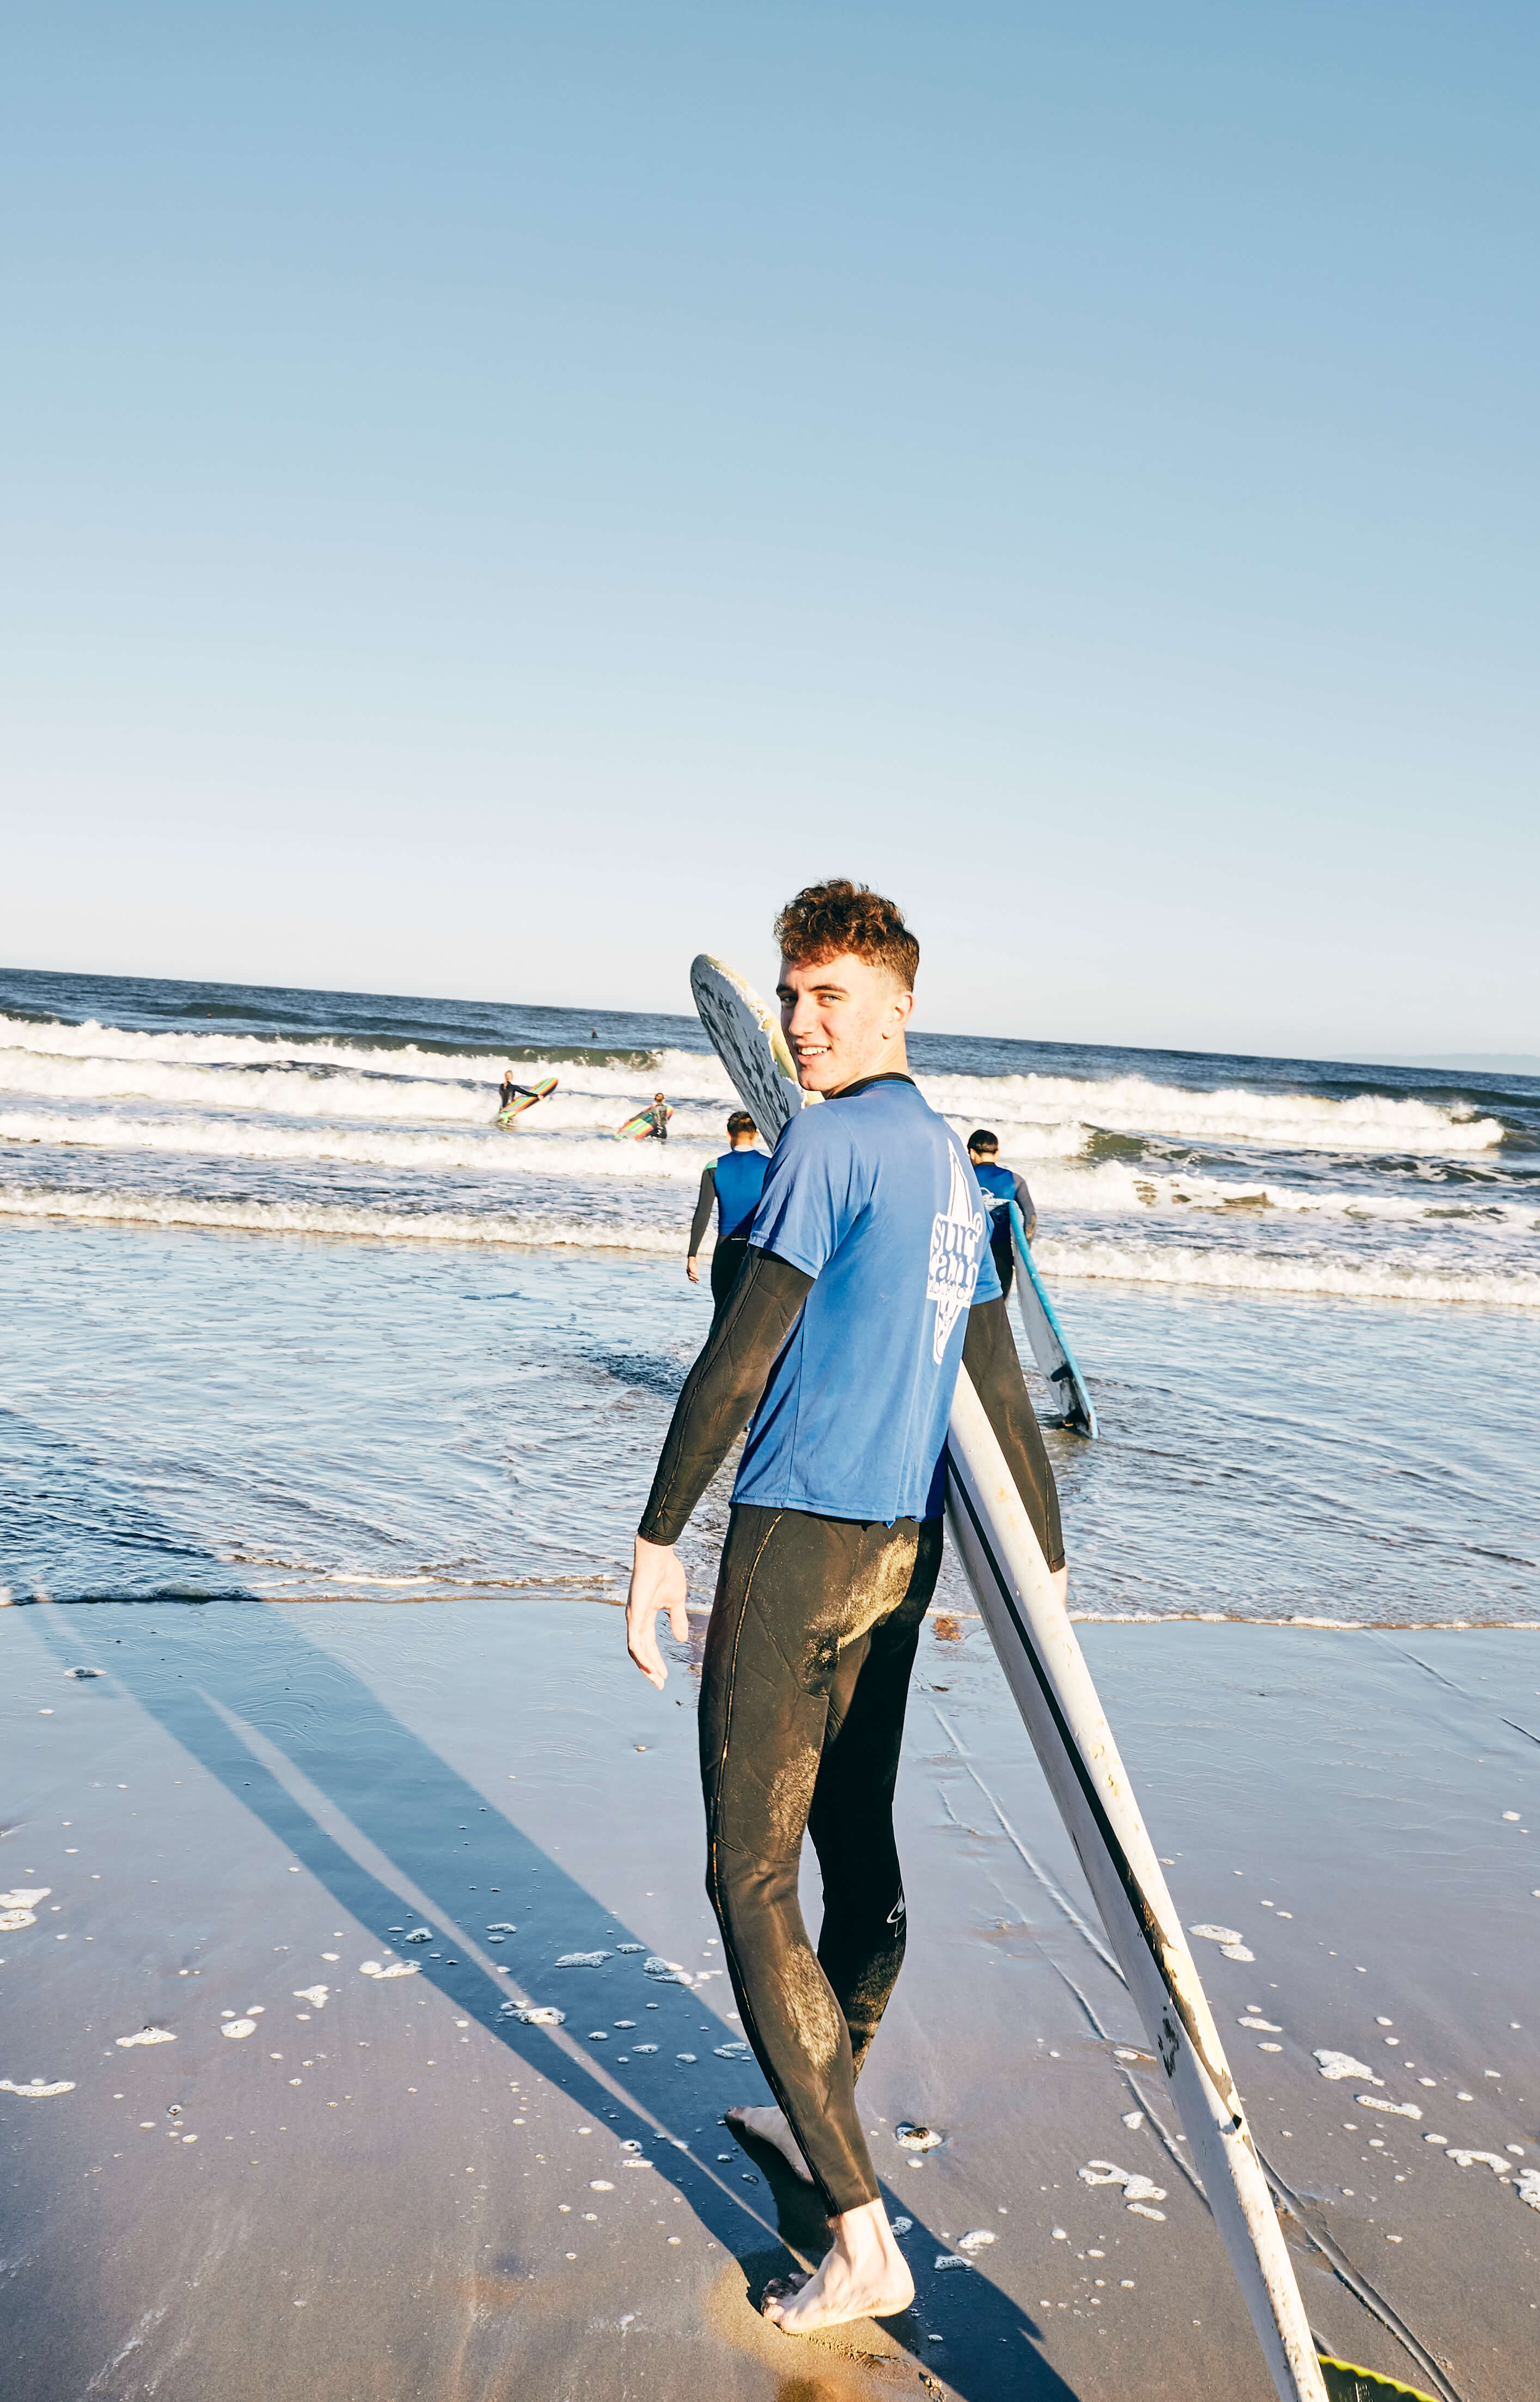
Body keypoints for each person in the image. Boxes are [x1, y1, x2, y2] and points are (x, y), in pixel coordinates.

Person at [622, 879, 1065, 2336]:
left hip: (794, 1542)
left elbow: (741, 1362)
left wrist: (655, 1538)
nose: (801, 1024)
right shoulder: (955, 1167)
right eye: (791, 995)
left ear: (897, 1004)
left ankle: (864, 2237)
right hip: (900, 1554)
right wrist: (1045, 1570)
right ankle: (824, 2105)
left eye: (828, 997)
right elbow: (992, 1389)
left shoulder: (824, 1146)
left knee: (746, 1881)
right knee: (858, 1862)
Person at [683, 1110, 769, 1315]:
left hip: (725, 1250)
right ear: (756, 1135)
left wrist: (692, 1255)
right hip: (756, 1250)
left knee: (722, 1313)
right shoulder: (771, 1166)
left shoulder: (714, 1168)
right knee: (751, 1316)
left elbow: (702, 1214)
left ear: (729, 1135)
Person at [964, 1128, 1038, 1273]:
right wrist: (1022, 1254)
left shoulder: (962, 1177)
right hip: (1001, 1254)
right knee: (1000, 1296)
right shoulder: (1015, 1180)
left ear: (972, 1153)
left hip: (967, 1251)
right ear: (997, 1153)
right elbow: (1031, 1217)